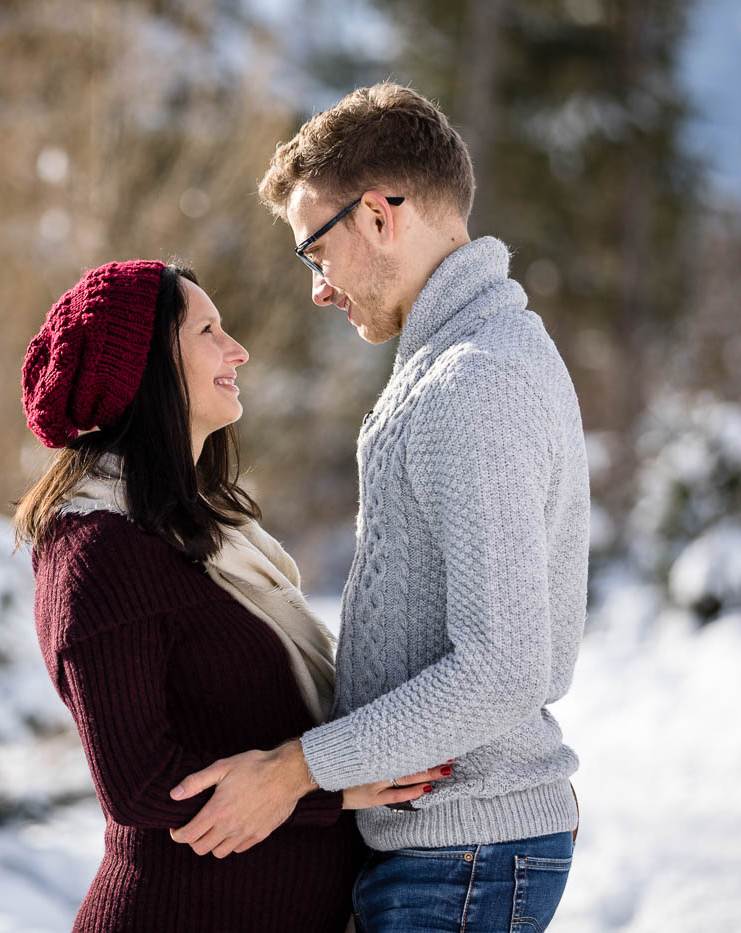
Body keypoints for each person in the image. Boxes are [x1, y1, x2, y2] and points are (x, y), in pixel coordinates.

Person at [166, 83, 589, 932]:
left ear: (379, 216)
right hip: (444, 848)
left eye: (315, 253)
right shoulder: (465, 359)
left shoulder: (475, 381)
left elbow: (504, 668)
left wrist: (295, 768)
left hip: (462, 856)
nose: (318, 289)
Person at [15, 260, 453, 932]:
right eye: (208, 330)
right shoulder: (99, 552)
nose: (237, 349)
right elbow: (139, 781)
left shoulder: (200, 536)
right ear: (149, 367)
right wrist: (321, 786)